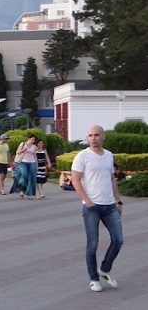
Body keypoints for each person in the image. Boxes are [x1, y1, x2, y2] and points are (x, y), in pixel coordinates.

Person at [71, 125, 123, 292]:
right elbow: (75, 180)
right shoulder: (82, 156)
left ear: (103, 136)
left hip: (110, 206)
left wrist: (118, 201)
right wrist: (87, 201)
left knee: (118, 240)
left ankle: (104, 269)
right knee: (92, 244)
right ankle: (94, 279)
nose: (93, 138)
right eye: (90, 135)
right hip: (92, 207)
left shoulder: (109, 155)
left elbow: (112, 179)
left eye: (96, 135)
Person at [9, 133, 38, 200]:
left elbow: (35, 156)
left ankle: (29, 193)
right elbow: (17, 152)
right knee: (24, 177)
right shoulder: (23, 144)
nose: (33, 141)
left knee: (31, 178)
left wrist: (36, 165)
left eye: (34, 139)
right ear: (29, 139)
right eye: (32, 139)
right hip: (23, 162)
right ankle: (21, 190)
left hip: (32, 162)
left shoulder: (34, 146)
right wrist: (23, 150)